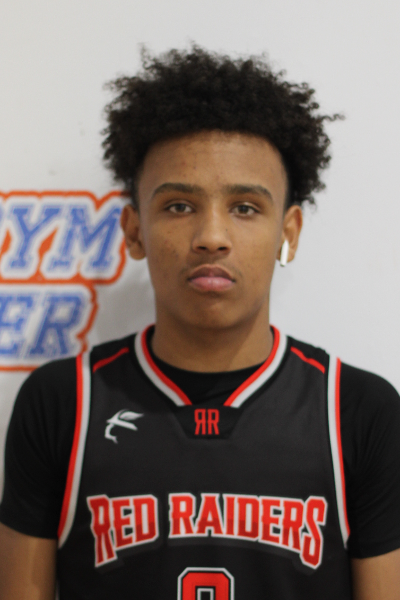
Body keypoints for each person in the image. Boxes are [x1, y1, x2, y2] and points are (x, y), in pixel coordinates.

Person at [0, 46, 399, 600]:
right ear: (134, 231)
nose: (212, 237)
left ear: (288, 233)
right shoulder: (62, 402)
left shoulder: (357, 411)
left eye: (245, 207)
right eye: (179, 206)